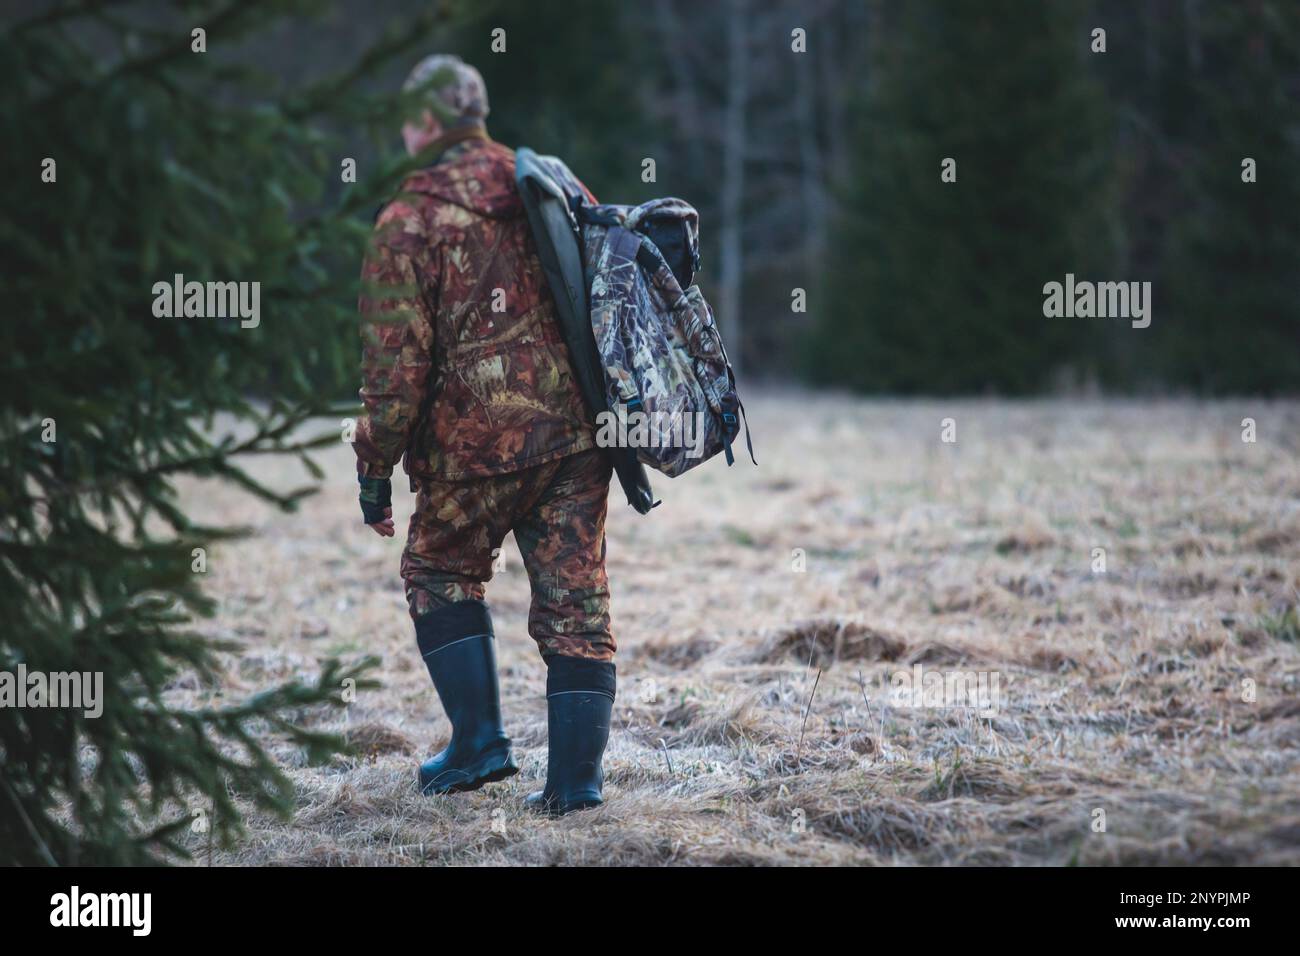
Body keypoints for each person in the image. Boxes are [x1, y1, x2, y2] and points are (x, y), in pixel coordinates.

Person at [352, 55, 615, 815]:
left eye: (408, 119)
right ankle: (575, 787)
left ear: (427, 123)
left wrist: (373, 471)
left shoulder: (407, 220)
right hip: (577, 437)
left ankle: (477, 746)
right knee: (578, 603)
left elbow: (394, 375)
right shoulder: (550, 185)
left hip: (475, 450)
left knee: (438, 571)